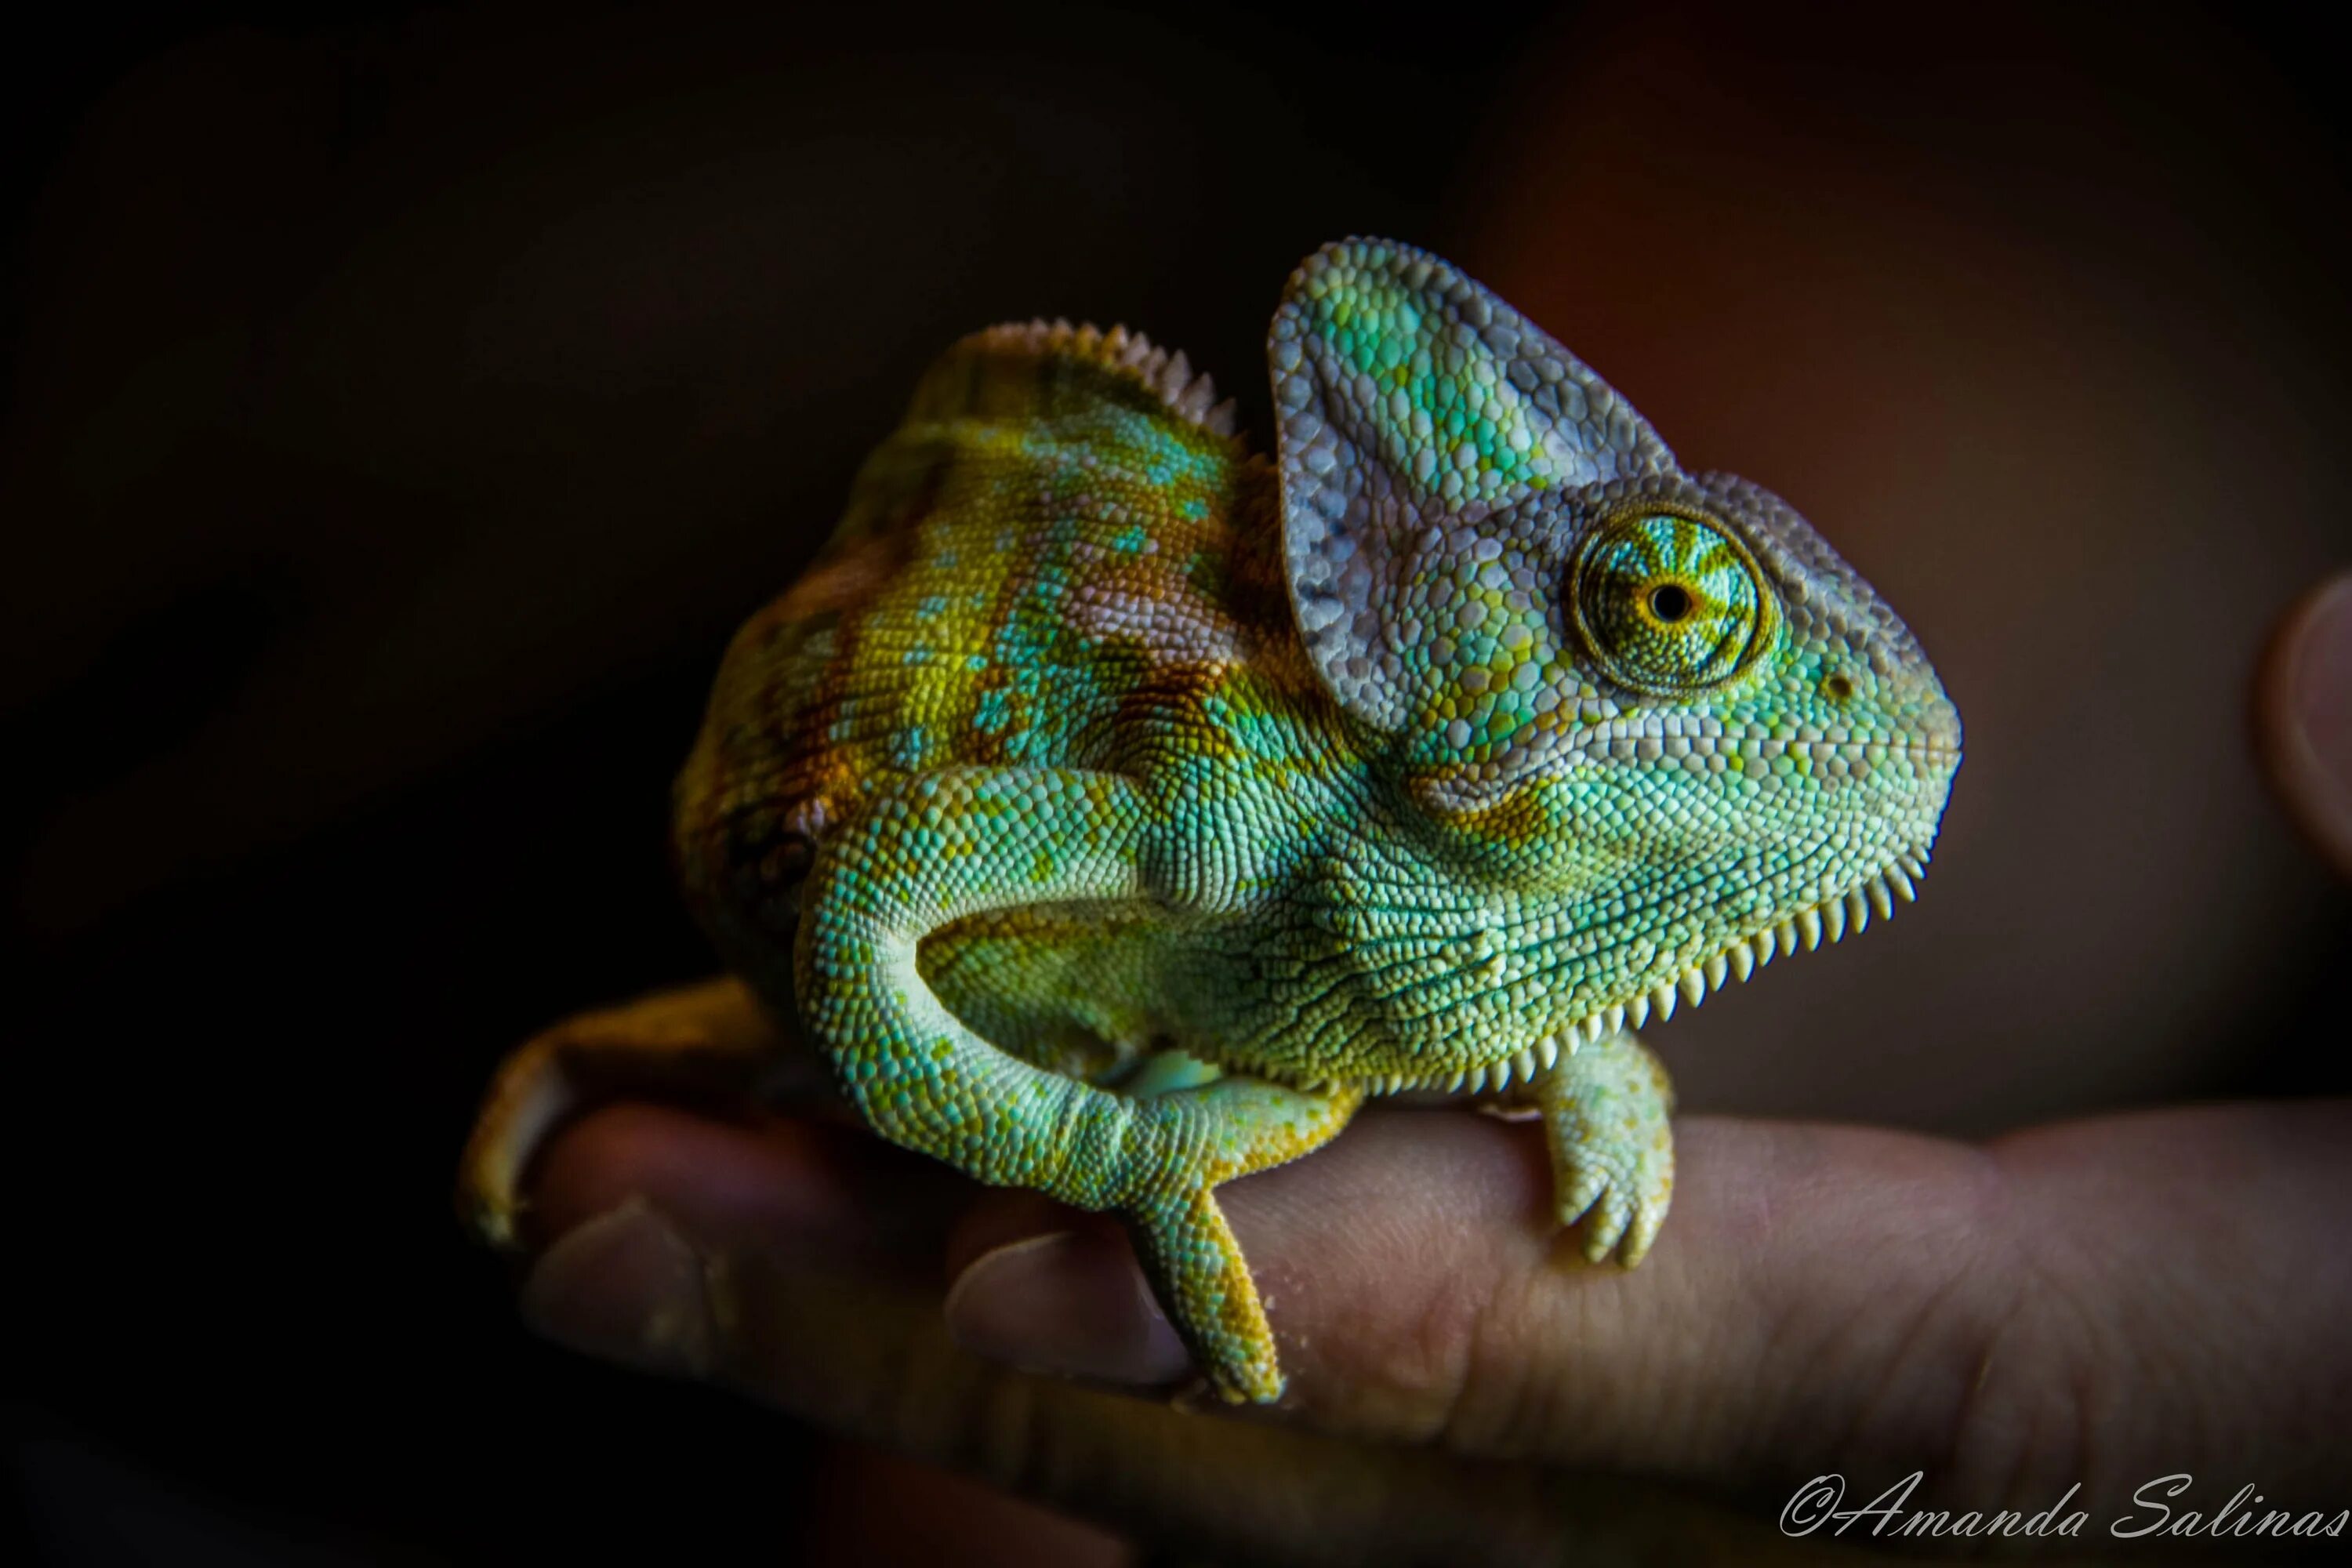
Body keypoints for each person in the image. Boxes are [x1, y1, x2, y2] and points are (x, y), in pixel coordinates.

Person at [496, 573, 2351, 1561]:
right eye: (1676, 620)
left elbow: (1460, 947)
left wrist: (1602, 1066)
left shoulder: (1440, 874)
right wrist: (1103, 1151)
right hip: (938, 974)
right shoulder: (1233, 773)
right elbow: (869, 906)